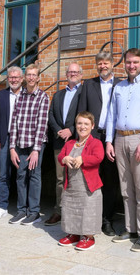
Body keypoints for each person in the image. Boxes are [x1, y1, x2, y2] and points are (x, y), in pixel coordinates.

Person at [105, 48, 140, 252]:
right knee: (126, 188)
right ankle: (131, 229)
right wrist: (109, 141)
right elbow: (111, 115)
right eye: (128, 62)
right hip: (119, 139)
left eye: (135, 62)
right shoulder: (118, 87)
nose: (132, 66)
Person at [77, 51, 121, 236]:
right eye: (100, 63)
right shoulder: (89, 84)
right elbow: (82, 112)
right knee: (90, 178)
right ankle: (90, 216)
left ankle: (107, 220)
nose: (103, 66)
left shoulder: (121, 84)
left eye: (106, 63)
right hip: (93, 137)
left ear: (112, 64)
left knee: (110, 180)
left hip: (113, 138)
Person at [8, 63, 50, 225]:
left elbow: (41, 124)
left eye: (34, 75)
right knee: (20, 177)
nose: (31, 77)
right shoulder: (20, 96)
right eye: (29, 75)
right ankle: (21, 210)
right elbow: (14, 123)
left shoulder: (43, 97)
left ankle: (34, 211)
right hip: (20, 144)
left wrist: (36, 150)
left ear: (38, 78)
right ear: (25, 77)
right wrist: (12, 147)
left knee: (34, 177)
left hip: (35, 145)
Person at [57, 111, 105, 251]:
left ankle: (88, 237)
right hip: (72, 185)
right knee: (70, 209)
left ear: (92, 126)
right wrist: (64, 159)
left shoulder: (96, 143)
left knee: (88, 210)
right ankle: (73, 234)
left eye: (86, 124)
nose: (82, 126)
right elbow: (60, 156)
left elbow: (98, 157)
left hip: (88, 187)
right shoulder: (70, 143)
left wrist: (83, 159)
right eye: (79, 123)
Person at [46, 62, 83, 226]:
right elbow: (51, 114)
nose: (72, 74)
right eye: (70, 72)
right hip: (59, 142)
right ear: (66, 74)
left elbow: (88, 115)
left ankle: (77, 211)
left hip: (78, 141)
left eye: (75, 72)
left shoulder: (85, 92)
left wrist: (71, 129)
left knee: (77, 178)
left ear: (81, 74)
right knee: (60, 178)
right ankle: (59, 210)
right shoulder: (58, 94)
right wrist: (59, 131)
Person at [0, 66, 23, 220]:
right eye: (11, 77)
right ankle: (2, 206)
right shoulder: (0, 95)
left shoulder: (27, 94)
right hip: (5, 139)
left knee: (23, 174)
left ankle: (23, 208)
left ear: (22, 79)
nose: (13, 80)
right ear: (8, 79)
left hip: (23, 139)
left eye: (16, 77)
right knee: (3, 174)